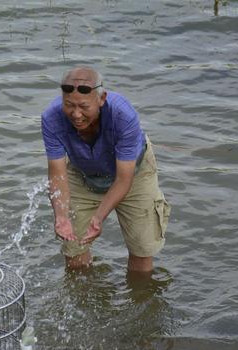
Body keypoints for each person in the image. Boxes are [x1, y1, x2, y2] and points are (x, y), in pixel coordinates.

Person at [41, 66, 170, 273]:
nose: (76, 114)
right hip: (83, 172)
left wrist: (99, 217)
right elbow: (57, 173)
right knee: (73, 251)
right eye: (69, 105)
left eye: (83, 106)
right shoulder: (51, 117)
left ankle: (139, 299)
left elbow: (123, 179)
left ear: (101, 99)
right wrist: (61, 216)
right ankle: (84, 297)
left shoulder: (123, 115)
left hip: (134, 173)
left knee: (142, 250)